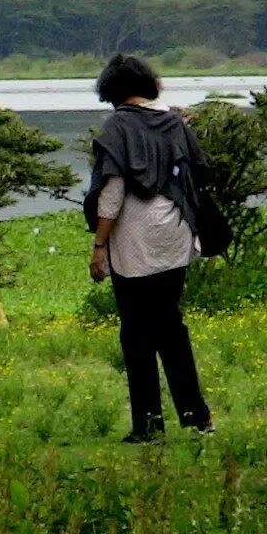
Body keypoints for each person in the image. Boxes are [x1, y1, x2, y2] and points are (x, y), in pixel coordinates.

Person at [83, 53, 215, 443]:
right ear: (147, 84)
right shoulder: (174, 122)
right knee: (170, 326)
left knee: (136, 333)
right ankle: (197, 417)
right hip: (176, 235)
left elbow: (112, 194)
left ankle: (148, 426)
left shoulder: (116, 127)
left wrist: (98, 246)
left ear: (112, 91)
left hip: (136, 244)